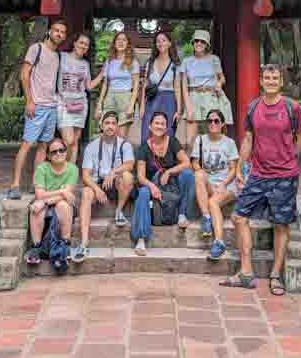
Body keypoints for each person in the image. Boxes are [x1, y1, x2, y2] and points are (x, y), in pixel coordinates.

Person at [221, 64, 301, 295]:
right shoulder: (253, 108)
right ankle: (246, 272)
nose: (270, 81)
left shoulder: (292, 108)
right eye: (266, 77)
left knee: (281, 224)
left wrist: (291, 160)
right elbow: (248, 139)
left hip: (284, 176)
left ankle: (276, 275)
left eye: (274, 78)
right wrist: (240, 167)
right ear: (261, 81)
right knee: (239, 217)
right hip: (258, 174)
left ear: (281, 82)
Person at [8, 19, 67, 200]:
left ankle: (36, 184)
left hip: (51, 106)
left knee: (43, 147)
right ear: (50, 31)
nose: (59, 34)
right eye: (56, 30)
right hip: (37, 105)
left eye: (62, 32)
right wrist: (29, 100)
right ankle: (15, 185)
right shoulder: (37, 48)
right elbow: (24, 74)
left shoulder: (57, 55)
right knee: (27, 144)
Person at [73, 110, 136, 262]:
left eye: (114, 123)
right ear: (101, 125)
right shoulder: (91, 147)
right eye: (107, 123)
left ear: (118, 127)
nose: (110, 126)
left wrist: (114, 171)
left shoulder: (125, 144)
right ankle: (84, 242)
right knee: (87, 193)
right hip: (98, 183)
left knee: (127, 176)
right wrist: (96, 189)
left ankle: (119, 211)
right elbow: (86, 175)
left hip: (116, 183)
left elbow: (130, 164)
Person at [131, 111, 195, 256]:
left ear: (166, 128)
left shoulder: (172, 141)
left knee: (188, 175)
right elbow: (140, 177)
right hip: (150, 184)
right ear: (150, 126)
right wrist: (152, 186)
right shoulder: (143, 148)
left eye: (163, 124)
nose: (159, 126)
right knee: (143, 193)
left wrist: (169, 171)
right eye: (157, 123)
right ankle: (141, 238)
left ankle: (182, 214)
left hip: (170, 185)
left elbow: (186, 163)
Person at [189, 109, 245, 260]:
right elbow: (194, 163)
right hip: (208, 182)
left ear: (222, 124)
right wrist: (204, 175)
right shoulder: (200, 140)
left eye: (216, 121)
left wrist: (223, 184)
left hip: (227, 185)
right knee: (199, 174)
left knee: (213, 202)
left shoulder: (229, 143)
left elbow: (234, 169)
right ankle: (206, 217)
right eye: (209, 121)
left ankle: (219, 242)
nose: (212, 124)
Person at [24, 137, 79, 265]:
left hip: (61, 205)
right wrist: (61, 191)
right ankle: (36, 247)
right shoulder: (42, 168)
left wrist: (45, 201)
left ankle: (65, 243)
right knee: (36, 207)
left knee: (63, 204)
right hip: (47, 204)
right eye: (54, 152)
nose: (58, 154)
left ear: (66, 152)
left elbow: (67, 196)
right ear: (48, 155)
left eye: (61, 150)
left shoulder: (72, 169)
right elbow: (39, 194)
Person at [57, 32, 103, 164]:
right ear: (74, 43)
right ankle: (62, 168)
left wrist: (102, 74)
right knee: (68, 140)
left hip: (80, 105)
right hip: (64, 103)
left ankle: (70, 171)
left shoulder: (85, 64)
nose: (83, 46)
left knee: (75, 142)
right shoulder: (62, 57)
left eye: (86, 45)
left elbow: (88, 86)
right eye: (81, 43)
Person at [180, 29, 232, 145]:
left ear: (207, 44)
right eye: (196, 41)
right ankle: (192, 163)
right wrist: (188, 106)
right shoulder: (187, 61)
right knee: (190, 141)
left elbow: (222, 78)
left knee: (213, 137)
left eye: (202, 41)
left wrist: (219, 84)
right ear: (193, 43)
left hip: (211, 97)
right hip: (193, 97)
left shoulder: (214, 59)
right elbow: (183, 86)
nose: (199, 43)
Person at [95, 30, 140, 140]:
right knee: (106, 133)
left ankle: (120, 157)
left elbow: (136, 86)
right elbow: (105, 84)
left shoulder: (133, 62)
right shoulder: (109, 61)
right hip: (110, 97)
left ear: (128, 43)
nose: (121, 42)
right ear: (114, 43)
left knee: (121, 136)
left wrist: (131, 106)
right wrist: (99, 104)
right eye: (118, 40)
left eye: (124, 40)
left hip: (125, 97)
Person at [139, 30, 181, 144]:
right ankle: (147, 160)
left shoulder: (175, 64)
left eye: (164, 40)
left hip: (169, 100)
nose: (161, 43)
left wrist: (178, 109)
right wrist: (142, 106)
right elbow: (145, 85)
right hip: (152, 100)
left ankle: (165, 161)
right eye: (158, 41)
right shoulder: (150, 62)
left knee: (167, 132)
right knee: (147, 131)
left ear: (169, 43)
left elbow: (177, 88)